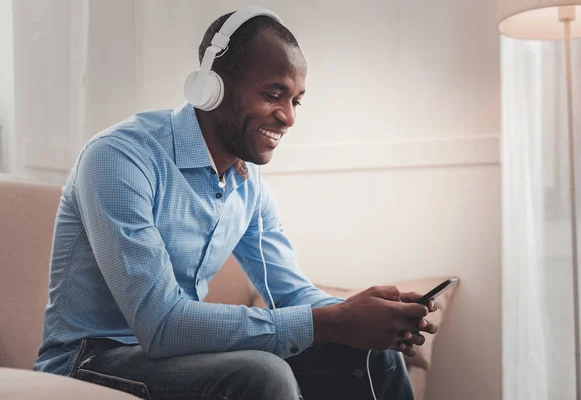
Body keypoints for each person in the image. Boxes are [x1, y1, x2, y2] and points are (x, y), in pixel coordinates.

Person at [34, 7, 439, 400]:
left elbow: (293, 293)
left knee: (373, 353)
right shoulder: (120, 158)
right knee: (261, 374)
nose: (288, 117)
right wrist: (334, 322)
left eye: (296, 100)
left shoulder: (247, 185)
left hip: (173, 356)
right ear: (211, 88)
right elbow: (160, 324)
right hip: (90, 361)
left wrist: (368, 316)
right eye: (273, 94)